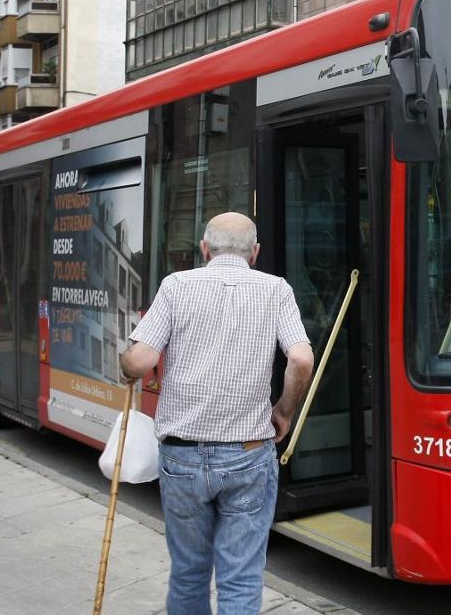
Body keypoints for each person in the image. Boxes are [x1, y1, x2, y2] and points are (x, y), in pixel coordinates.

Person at [120, 212, 315, 615]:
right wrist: (283, 411)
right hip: (248, 453)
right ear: (255, 253)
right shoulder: (276, 289)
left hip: (182, 456)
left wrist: (124, 363)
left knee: (189, 572)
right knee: (241, 577)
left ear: (205, 249)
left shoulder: (176, 286)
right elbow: (300, 358)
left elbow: (139, 362)